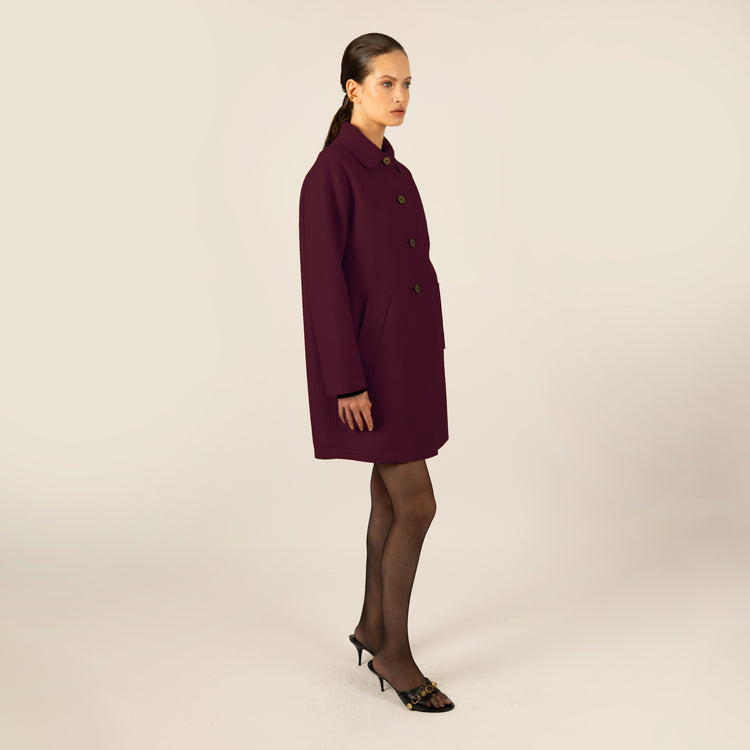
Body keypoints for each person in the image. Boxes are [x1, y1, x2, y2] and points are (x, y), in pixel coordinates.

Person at [298, 33, 454, 713]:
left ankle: (370, 625)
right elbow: (323, 286)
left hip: (408, 359)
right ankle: (394, 652)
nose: (400, 96)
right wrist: (346, 381)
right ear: (352, 89)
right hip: (369, 368)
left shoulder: (395, 171)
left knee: (390, 502)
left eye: (407, 83)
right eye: (386, 83)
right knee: (418, 504)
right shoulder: (331, 174)